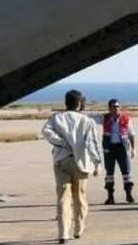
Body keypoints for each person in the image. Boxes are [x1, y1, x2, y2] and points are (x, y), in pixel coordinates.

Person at [41, 89, 103, 244]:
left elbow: (46, 132)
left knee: (63, 198)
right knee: (79, 197)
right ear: (79, 103)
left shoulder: (56, 118)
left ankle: (63, 233)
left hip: (61, 160)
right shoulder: (87, 121)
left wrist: (61, 142)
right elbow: (92, 143)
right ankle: (78, 228)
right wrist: (97, 162)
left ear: (66, 102)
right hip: (80, 163)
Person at [101, 98, 136, 204]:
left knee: (126, 172)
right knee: (109, 173)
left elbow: (132, 134)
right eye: (114, 107)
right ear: (109, 108)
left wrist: (133, 149)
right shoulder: (104, 118)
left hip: (122, 148)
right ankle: (110, 197)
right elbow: (89, 118)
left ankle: (129, 195)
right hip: (109, 148)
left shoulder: (126, 118)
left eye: (117, 106)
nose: (116, 108)